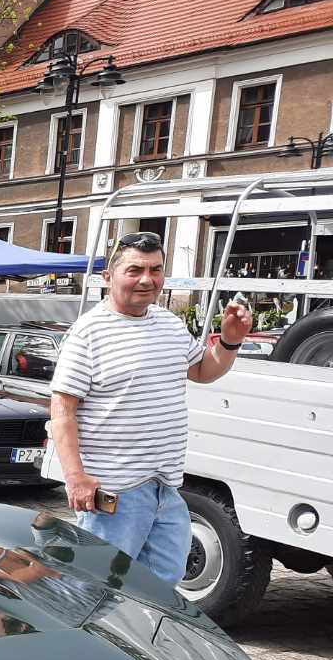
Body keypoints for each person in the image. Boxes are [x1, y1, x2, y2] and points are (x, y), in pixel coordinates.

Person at [47, 232, 250, 585]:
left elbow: (204, 370)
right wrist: (76, 478)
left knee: (161, 591)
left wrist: (230, 339)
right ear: (108, 277)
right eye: (135, 270)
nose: (147, 279)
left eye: (156, 269)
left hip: (165, 489)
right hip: (114, 492)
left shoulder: (169, 324)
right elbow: (62, 410)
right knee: (97, 589)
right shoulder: (88, 333)